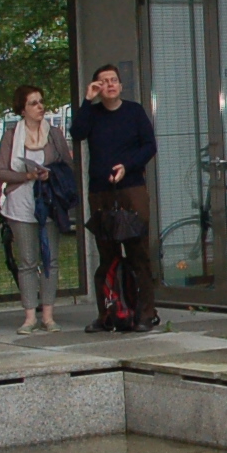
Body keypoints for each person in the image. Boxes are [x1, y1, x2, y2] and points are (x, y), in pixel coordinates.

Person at [70, 64, 159, 331]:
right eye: (103, 81)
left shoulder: (134, 111)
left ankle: (145, 313)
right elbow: (77, 133)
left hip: (131, 189)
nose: (110, 85)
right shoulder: (93, 113)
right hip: (101, 192)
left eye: (114, 80)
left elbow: (149, 146)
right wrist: (87, 100)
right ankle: (108, 313)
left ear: (120, 85)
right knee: (107, 255)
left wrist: (127, 166)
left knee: (138, 253)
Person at [0, 84, 74, 334]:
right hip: (21, 204)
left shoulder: (54, 134)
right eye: (33, 103)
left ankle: (48, 315)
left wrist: (51, 174)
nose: (40, 107)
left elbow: (67, 165)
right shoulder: (11, 136)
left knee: (50, 259)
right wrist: (28, 175)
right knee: (27, 261)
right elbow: (0, 171)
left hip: (49, 203)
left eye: (41, 102)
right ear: (22, 109)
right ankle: (29, 316)